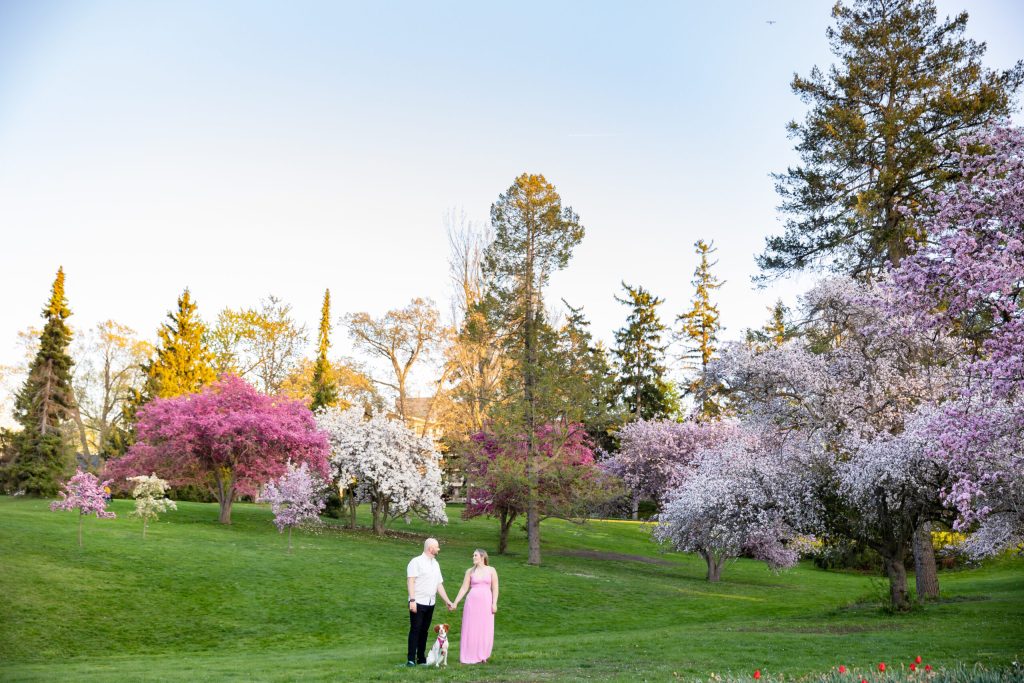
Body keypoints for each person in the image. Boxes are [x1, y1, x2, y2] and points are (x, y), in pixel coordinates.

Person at [406, 537, 454, 667]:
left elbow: (439, 585)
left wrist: (447, 600)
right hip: (417, 601)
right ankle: (411, 659)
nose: (439, 549)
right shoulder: (416, 562)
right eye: (437, 546)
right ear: (430, 548)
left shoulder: (435, 564)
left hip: (430, 603)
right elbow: (411, 581)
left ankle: (421, 658)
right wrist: (412, 600)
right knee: (415, 629)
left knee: (424, 631)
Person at [451, 548, 499, 664]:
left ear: (482, 557)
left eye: (475, 555)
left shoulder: (491, 570)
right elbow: (464, 588)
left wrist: (494, 603)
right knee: (471, 628)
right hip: (472, 603)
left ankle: (483, 655)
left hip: (486, 603)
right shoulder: (470, 571)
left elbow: (495, 588)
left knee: (485, 628)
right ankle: (468, 655)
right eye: (473, 555)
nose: (473, 557)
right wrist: (455, 602)